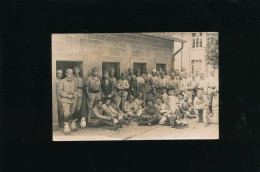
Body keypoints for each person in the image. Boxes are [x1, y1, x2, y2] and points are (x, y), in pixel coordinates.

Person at [58, 69, 78, 134]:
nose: (70, 74)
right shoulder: (62, 81)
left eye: (71, 73)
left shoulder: (74, 81)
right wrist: (68, 96)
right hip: (65, 100)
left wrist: (75, 94)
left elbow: (76, 89)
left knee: (72, 112)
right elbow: (59, 91)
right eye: (69, 73)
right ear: (66, 74)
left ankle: (71, 125)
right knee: (66, 113)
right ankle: (66, 127)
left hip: (73, 100)